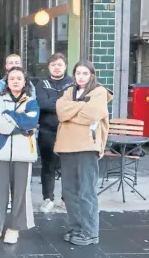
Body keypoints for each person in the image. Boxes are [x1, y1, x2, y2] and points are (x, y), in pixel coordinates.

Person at [0, 67, 39, 244]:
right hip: (1, 152)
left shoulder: (32, 102)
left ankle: (14, 228)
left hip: (24, 153)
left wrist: (10, 117)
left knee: (20, 193)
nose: (15, 81)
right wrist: (20, 126)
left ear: (24, 81)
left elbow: (31, 122)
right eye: (12, 78)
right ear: (7, 82)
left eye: (19, 78)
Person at [55, 60, 112, 246]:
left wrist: (73, 111)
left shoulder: (99, 92)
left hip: (87, 147)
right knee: (69, 192)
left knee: (87, 192)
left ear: (92, 75)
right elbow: (61, 112)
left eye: (85, 73)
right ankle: (75, 228)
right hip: (66, 147)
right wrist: (81, 106)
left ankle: (90, 232)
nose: (81, 76)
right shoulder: (68, 91)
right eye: (78, 73)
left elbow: (94, 114)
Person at [36, 53, 74, 213]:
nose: (57, 67)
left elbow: (75, 104)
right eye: (53, 65)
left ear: (65, 66)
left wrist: (54, 103)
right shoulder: (41, 84)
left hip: (68, 132)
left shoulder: (72, 83)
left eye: (59, 64)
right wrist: (62, 103)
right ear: (49, 67)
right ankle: (48, 198)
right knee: (48, 167)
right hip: (46, 132)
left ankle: (66, 199)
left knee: (68, 167)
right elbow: (42, 104)